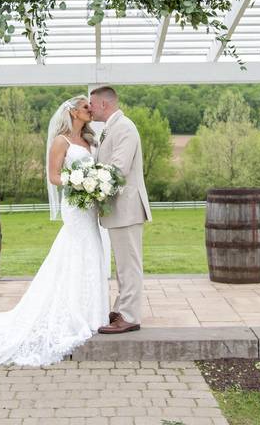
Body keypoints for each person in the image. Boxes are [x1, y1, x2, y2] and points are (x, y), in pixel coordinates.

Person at [0, 95, 110, 367]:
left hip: (88, 207)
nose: (90, 111)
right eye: (86, 107)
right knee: (77, 249)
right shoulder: (61, 142)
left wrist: (94, 183)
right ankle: (74, 312)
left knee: (93, 250)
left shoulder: (89, 141)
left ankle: (93, 311)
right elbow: (54, 176)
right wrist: (78, 180)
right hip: (75, 206)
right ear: (73, 113)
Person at [89, 85, 152, 334]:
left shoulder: (125, 127)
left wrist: (90, 185)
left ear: (104, 104)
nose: (90, 109)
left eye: (92, 104)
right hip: (118, 210)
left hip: (127, 208)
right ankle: (122, 308)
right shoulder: (111, 128)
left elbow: (119, 169)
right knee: (122, 265)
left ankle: (130, 316)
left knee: (129, 265)